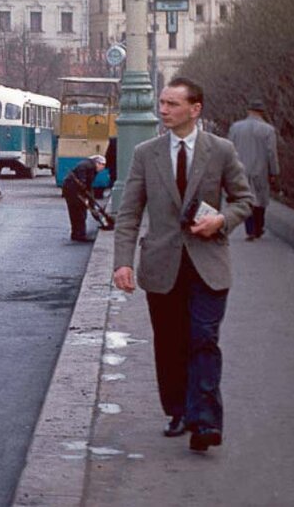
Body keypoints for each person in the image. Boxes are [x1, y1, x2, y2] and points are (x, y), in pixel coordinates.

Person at [113, 77, 253, 453]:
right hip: (162, 264)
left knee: (204, 339)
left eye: (172, 104)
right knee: (171, 343)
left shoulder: (220, 151)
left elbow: (245, 199)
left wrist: (222, 220)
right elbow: (129, 213)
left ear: (195, 109)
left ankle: (206, 421)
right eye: (161, 103)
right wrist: (123, 263)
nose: (163, 110)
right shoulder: (146, 152)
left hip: (208, 263)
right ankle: (178, 411)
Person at [227, 99, 280, 241]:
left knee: (246, 199)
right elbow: (271, 153)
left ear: (248, 111)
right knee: (261, 200)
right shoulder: (268, 130)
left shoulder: (235, 128)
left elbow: (229, 149)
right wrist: (274, 171)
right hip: (260, 170)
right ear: (262, 112)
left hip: (240, 169)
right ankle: (258, 228)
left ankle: (250, 229)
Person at [62, 154, 107, 242]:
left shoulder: (89, 166)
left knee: (75, 212)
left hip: (69, 189)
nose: (103, 168)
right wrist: (87, 198)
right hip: (73, 190)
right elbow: (85, 184)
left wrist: (92, 203)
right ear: (98, 163)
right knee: (80, 211)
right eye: (103, 165)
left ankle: (76, 233)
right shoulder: (88, 166)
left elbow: (89, 186)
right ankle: (80, 234)